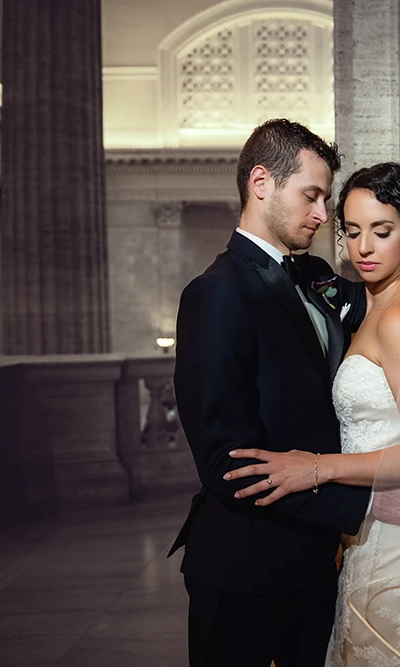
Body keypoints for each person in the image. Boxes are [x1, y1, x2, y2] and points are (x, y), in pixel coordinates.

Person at [225, 161, 400, 667]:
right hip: (369, 528)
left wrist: (317, 468)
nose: (364, 248)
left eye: (382, 231)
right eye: (352, 231)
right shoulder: (369, 304)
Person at [168, 119, 373, 667]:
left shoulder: (315, 274)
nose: (322, 214)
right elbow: (228, 462)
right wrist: (364, 502)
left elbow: (397, 298)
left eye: (326, 200)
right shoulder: (214, 295)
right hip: (244, 569)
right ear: (261, 183)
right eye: (311, 196)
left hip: (315, 564)